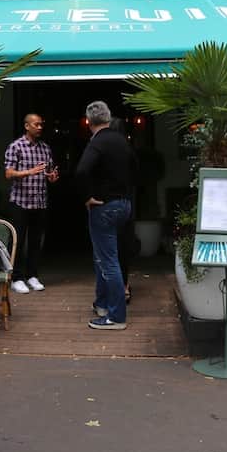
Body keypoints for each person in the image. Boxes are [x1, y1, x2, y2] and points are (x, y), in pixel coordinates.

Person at [75, 101, 136, 331]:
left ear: (89, 121)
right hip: (125, 204)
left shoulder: (97, 141)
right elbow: (136, 168)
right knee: (104, 257)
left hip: (104, 206)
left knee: (108, 261)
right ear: (109, 117)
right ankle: (102, 305)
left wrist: (87, 197)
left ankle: (116, 317)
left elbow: (81, 171)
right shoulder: (122, 140)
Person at [4, 112, 59, 294]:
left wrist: (52, 177)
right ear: (27, 126)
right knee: (18, 241)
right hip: (20, 202)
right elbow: (9, 173)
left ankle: (32, 275)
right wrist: (29, 171)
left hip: (39, 202)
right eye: (36, 124)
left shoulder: (45, 148)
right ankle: (16, 278)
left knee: (36, 241)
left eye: (41, 124)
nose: (40, 127)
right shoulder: (16, 147)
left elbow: (49, 173)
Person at [108, 118, 141, 304]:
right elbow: (137, 176)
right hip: (127, 202)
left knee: (108, 247)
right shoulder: (129, 150)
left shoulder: (103, 151)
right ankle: (124, 286)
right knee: (124, 246)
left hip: (108, 204)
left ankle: (111, 287)